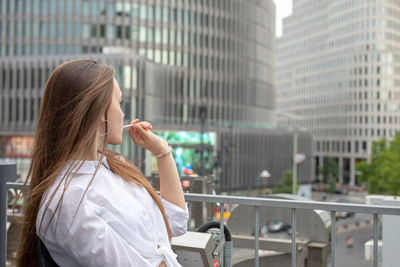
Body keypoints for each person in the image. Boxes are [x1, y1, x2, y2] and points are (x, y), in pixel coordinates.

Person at [16, 59, 189, 267]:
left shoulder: (113, 166)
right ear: (98, 112)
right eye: (120, 103)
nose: (124, 113)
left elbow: (175, 221)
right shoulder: (67, 202)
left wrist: (162, 151)